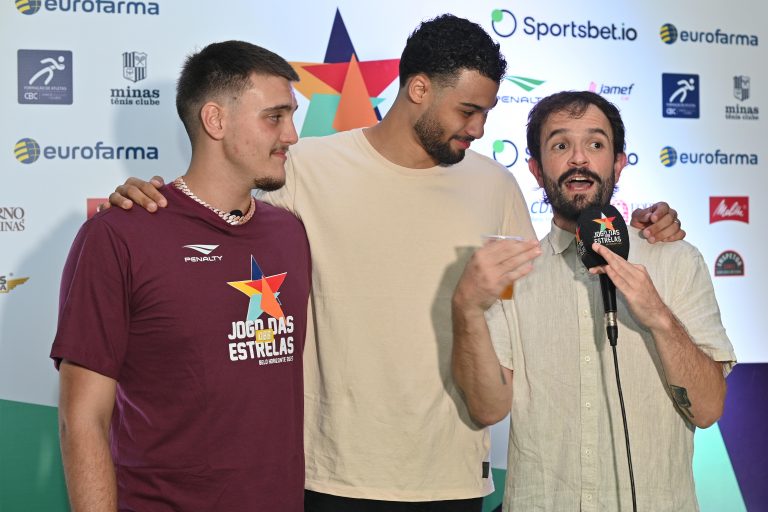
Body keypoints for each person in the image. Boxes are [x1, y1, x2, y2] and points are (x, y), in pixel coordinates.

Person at [107, 17, 683, 511]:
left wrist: (643, 227)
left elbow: (536, 299)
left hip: (456, 480)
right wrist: (147, 201)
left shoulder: (495, 183)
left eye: (486, 112)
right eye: (468, 110)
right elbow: (214, 210)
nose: (479, 128)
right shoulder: (303, 169)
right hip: (329, 478)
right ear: (418, 89)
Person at [51, 41, 311, 511]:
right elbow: (82, 419)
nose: (291, 135)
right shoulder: (118, 236)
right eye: (274, 117)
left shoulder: (289, 233)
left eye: (291, 116)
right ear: (215, 120)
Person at [452, 91, 736, 511]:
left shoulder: (676, 260)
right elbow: (487, 408)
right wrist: (467, 309)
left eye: (596, 144)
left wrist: (658, 317)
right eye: (560, 145)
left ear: (618, 164)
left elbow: (708, 410)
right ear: (536, 169)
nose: (579, 158)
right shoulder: (514, 272)